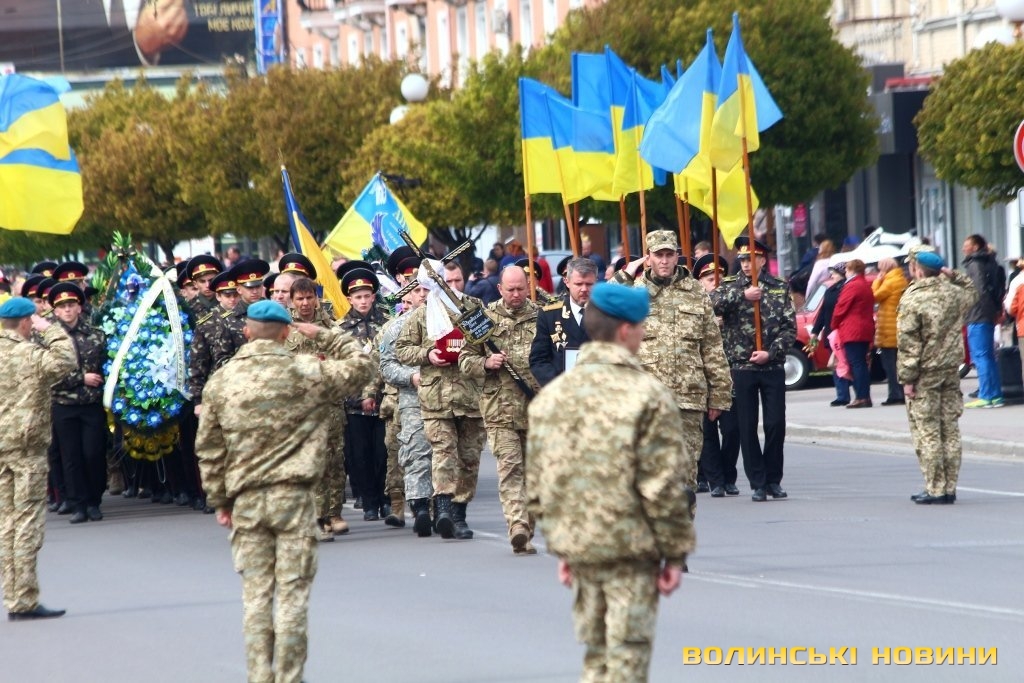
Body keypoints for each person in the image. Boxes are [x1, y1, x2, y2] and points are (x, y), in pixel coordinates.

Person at [195, 300, 373, 683]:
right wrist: (324, 334)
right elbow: (362, 365)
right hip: (293, 498)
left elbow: (209, 449)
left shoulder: (222, 381)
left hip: (246, 501)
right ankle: (290, 677)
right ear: (286, 332)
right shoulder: (306, 371)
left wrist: (220, 501)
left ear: (246, 332)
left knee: (256, 595)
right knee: (292, 594)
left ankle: (260, 675)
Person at [526, 282, 695, 683]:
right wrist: (674, 554)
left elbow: (540, 484)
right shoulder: (648, 394)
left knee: (597, 656)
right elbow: (662, 485)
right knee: (626, 660)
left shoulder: (552, 396)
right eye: (641, 326)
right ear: (625, 330)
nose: (643, 333)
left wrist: (562, 546)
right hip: (631, 549)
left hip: (581, 547)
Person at [615, 231, 732, 495]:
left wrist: (719, 395)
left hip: (688, 399)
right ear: (648, 258)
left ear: (677, 256)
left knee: (686, 478)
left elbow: (712, 346)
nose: (665, 261)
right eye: (659, 255)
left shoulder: (695, 292)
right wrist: (625, 275)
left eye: (669, 254)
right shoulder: (633, 294)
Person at [395, 260, 486, 540]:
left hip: (470, 395)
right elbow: (402, 349)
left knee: (469, 458)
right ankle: (444, 508)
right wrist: (427, 354)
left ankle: (459, 513)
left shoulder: (473, 308)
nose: (452, 286)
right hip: (436, 397)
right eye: (447, 281)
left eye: (456, 281)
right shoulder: (422, 314)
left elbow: (490, 340)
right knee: (443, 452)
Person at [0, 297, 76, 621]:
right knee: (27, 522)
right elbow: (66, 360)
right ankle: (24, 599)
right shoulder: (29, 354)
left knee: (6, 523)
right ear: (26, 322)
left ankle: (13, 595)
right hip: (26, 449)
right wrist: (51, 329)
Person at [459, 266, 542, 554]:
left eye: (520, 289)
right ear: (499, 289)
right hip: (499, 409)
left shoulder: (542, 317)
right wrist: (485, 363)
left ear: (528, 286)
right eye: (510, 290)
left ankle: (528, 529)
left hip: (536, 409)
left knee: (534, 475)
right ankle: (517, 526)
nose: (516, 294)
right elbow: (464, 360)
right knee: (510, 469)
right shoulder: (483, 319)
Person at [711, 237, 796, 502]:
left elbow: (789, 328)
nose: (746, 264)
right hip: (741, 365)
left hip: (771, 364)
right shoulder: (729, 286)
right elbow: (711, 306)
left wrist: (771, 352)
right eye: (743, 260)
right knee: (746, 427)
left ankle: (773, 480)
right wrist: (742, 295)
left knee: (775, 424)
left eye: (751, 259)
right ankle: (758, 482)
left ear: (762, 260)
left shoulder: (779, 287)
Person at [897, 249, 977, 504]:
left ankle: (935, 488)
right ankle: (950, 487)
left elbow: (909, 344)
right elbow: (972, 291)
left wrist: (907, 379)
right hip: (950, 369)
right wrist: (953, 275)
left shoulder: (913, 298)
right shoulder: (953, 293)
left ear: (917, 270)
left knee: (928, 431)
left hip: (925, 373)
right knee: (950, 429)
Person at [285, 276, 350, 541]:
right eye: (299, 298)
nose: (305, 303)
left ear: (316, 298)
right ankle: (317, 517)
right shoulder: (282, 330)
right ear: (292, 301)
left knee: (334, 461)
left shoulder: (331, 328)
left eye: (309, 297)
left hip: (330, 404)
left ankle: (334, 513)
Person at [48, 283, 108, 524]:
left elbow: (106, 367)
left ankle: (94, 500)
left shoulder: (96, 334)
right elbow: (48, 374)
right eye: (62, 306)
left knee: (93, 453)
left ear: (80, 308)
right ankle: (78, 504)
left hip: (91, 403)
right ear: (55, 311)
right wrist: (80, 378)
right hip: (63, 404)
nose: (67, 310)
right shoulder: (48, 339)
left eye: (71, 305)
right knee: (71, 457)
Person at [379, 279, 433, 536]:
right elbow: (387, 366)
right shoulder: (397, 327)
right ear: (407, 295)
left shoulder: (450, 323)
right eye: (417, 290)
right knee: (416, 453)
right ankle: (420, 506)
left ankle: (445, 507)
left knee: (446, 456)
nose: (422, 295)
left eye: (426, 289)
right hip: (413, 399)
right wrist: (411, 377)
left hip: (449, 399)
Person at [336, 261, 389, 521]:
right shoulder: (340, 329)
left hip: (384, 401)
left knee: (383, 453)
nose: (363, 301)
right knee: (360, 456)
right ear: (349, 299)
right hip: (354, 404)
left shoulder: (387, 323)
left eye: (367, 296)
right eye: (358, 297)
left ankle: (385, 499)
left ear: (374, 296)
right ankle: (369, 502)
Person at [692, 254, 741, 497]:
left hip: (728, 375)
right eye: (710, 280)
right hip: (702, 374)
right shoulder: (693, 305)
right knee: (707, 431)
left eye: (719, 279)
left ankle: (729, 475)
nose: (715, 284)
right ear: (700, 282)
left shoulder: (731, 304)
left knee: (732, 429)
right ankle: (716, 480)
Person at [529, 257, 597, 386]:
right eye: (578, 284)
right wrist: (558, 385)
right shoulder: (549, 316)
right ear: (567, 281)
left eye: (589, 284)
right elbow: (538, 360)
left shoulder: (606, 315)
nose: (584, 289)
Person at [961, 235, 1005, 408]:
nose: (963, 248)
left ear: (975, 247)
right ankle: (995, 394)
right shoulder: (990, 262)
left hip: (977, 314)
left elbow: (979, 290)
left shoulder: (975, 264)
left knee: (980, 356)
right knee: (988, 356)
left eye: (967, 245)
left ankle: (986, 395)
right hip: (987, 314)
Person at [831, 259, 875, 408]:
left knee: (856, 363)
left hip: (853, 329)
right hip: (864, 328)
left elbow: (841, 307)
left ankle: (861, 397)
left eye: (847, 270)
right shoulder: (865, 284)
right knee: (861, 362)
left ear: (852, 270)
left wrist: (834, 324)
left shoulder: (852, 285)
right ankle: (864, 396)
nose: (845, 272)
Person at [808, 265, 852, 406]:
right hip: (831, 333)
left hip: (843, 332)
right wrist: (815, 331)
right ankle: (842, 395)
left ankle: (855, 394)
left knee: (846, 363)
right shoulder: (830, 290)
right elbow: (823, 313)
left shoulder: (846, 288)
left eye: (834, 273)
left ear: (842, 274)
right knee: (836, 364)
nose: (832, 276)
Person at [872, 257, 909, 405]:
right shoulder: (901, 279)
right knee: (898, 364)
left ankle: (895, 394)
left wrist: (877, 281)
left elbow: (874, 296)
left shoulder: (889, 281)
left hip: (888, 328)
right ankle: (899, 393)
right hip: (898, 326)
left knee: (890, 365)